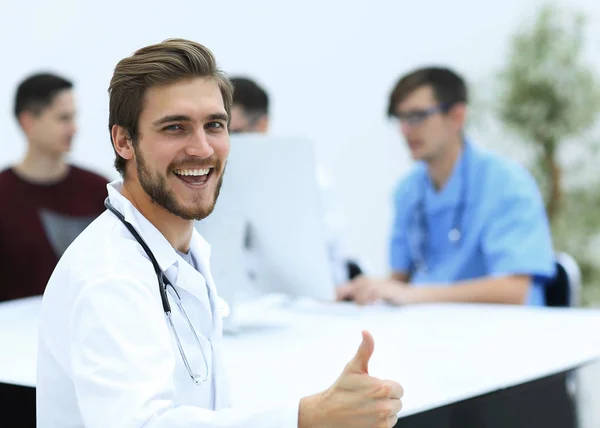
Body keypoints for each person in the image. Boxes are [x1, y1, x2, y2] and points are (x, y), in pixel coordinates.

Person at [36, 38, 403, 427]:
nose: (202, 148)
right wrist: (305, 419)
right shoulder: (109, 275)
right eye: (175, 127)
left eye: (215, 125)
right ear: (124, 141)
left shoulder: (184, 250)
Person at [337, 66, 556, 306]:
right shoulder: (408, 191)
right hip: (428, 327)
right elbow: (399, 280)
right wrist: (364, 290)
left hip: (500, 332)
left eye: (417, 116)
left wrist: (416, 294)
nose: (405, 130)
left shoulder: (507, 183)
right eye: (400, 118)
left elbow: (514, 291)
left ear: (457, 116)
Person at [228, 75, 362, 286]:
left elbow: (328, 260)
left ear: (262, 125)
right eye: (215, 129)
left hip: (306, 300)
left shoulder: (310, 179)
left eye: (234, 133)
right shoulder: (206, 180)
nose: (224, 144)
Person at [0, 73, 108, 302]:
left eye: (74, 117)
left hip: (88, 329)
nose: (74, 129)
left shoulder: (99, 191)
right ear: (29, 122)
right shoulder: (3, 196)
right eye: (63, 118)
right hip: (15, 334)